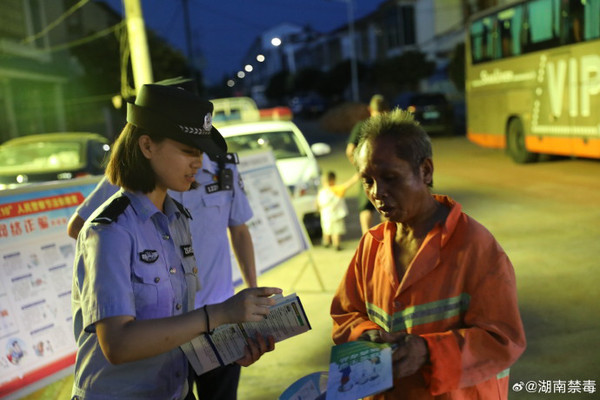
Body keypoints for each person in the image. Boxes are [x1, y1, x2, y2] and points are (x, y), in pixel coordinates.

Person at [70, 83, 281, 400]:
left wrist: (227, 349)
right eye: (188, 151)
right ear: (147, 146)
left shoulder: (176, 221)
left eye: (201, 152)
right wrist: (218, 314)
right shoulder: (110, 230)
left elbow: (173, 325)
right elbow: (118, 344)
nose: (199, 162)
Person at [330, 109, 526, 399]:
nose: (377, 192)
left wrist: (427, 350)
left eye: (390, 177)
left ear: (425, 171)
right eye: (367, 181)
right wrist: (365, 335)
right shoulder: (371, 246)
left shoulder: (476, 248)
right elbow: (346, 314)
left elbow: (503, 340)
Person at [346, 94, 390, 234]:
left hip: (367, 173)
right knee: (387, 207)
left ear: (370, 109)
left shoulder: (361, 126)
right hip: (386, 173)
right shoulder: (389, 128)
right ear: (386, 111)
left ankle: (367, 238)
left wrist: (360, 167)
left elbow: (350, 151)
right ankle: (388, 237)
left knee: (366, 209)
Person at [316, 171, 356, 251]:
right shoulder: (336, 190)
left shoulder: (321, 192)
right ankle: (336, 244)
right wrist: (356, 177)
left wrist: (318, 210)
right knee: (336, 230)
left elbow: (317, 203)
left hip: (325, 215)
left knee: (326, 228)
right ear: (332, 180)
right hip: (336, 214)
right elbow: (347, 185)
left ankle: (326, 242)